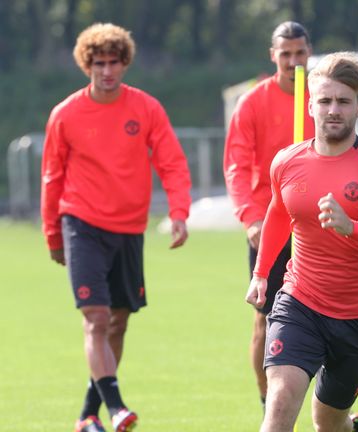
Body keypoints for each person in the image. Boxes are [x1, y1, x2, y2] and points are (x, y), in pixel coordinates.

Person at [245, 52, 358, 432]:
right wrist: (261, 273)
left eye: (342, 101)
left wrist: (350, 226)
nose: (333, 110)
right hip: (300, 302)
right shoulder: (286, 161)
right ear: (310, 106)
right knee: (280, 403)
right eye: (324, 101)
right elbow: (278, 213)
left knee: (328, 421)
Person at [41, 23, 191, 432]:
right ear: (86, 65)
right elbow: (52, 178)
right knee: (97, 318)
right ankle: (117, 406)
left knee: (119, 322)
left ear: (125, 64)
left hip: (129, 229)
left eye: (114, 63)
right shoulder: (66, 114)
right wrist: (53, 234)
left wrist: (179, 211)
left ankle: (87, 414)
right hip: (81, 224)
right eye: (99, 63)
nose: (107, 71)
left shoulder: (146, 109)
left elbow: (172, 162)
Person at [223, 21, 314, 410]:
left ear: (309, 53)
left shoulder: (322, 97)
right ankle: (269, 405)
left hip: (318, 226)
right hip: (270, 227)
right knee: (266, 318)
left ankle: (328, 405)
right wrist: (251, 219)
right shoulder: (253, 103)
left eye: (300, 53)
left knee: (327, 317)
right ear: (272, 55)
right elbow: (236, 165)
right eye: (286, 54)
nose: (293, 61)